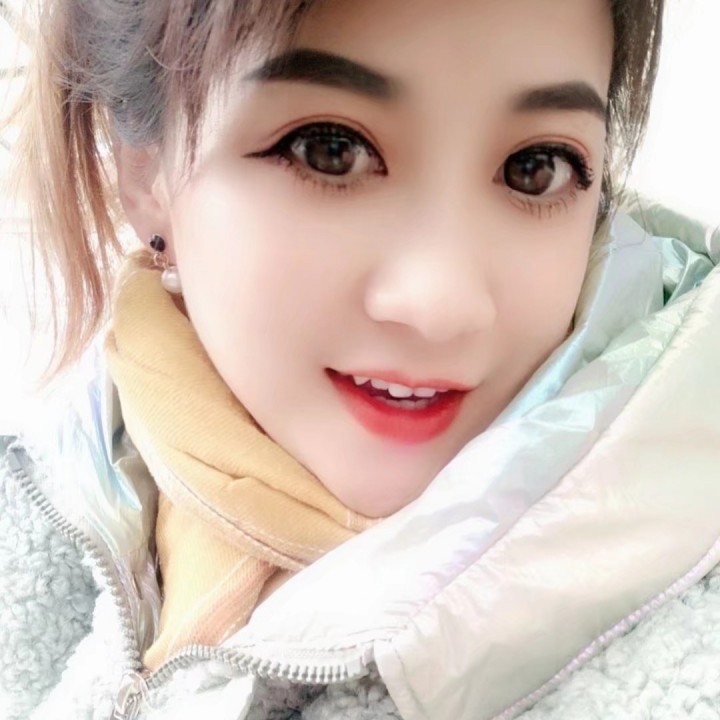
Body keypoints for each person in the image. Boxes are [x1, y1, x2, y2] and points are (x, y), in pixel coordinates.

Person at [3, 0, 720, 717]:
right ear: (145, 174)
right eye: (330, 150)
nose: (442, 303)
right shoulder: (47, 509)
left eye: (535, 168)